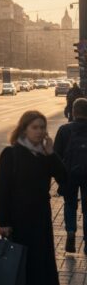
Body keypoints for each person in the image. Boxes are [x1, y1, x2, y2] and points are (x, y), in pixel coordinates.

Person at [0, 110, 66, 285]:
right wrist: (4, 222)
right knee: (22, 265)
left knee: (42, 263)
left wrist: (51, 153)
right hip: (19, 220)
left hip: (42, 218)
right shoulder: (11, 154)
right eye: (34, 127)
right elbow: (3, 190)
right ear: (24, 129)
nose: (39, 131)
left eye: (42, 127)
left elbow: (65, 179)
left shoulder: (45, 155)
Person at [54, 98, 87, 253]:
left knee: (69, 204)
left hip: (69, 174)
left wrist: (59, 178)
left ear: (73, 112)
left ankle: (71, 232)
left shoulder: (64, 130)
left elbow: (56, 156)